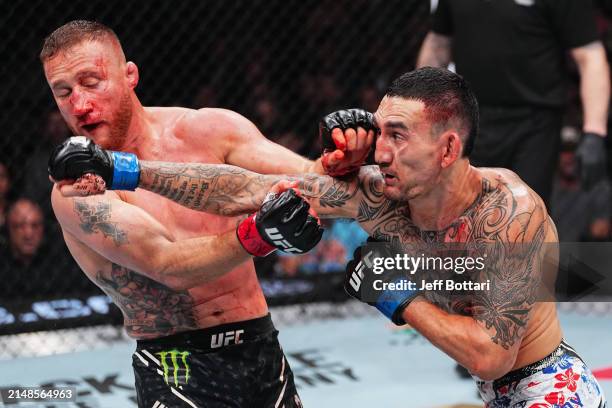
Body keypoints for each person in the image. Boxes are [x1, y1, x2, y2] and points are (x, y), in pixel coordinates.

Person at [54, 67, 607, 407]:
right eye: (380, 131)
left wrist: (399, 297)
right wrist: (125, 170)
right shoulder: (385, 199)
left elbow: (489, 356)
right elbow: (247, 188)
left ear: (447, 149)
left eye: (398, 136)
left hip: (548, 388)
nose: (381, 152)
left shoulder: (511, 213)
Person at [41, 20, 373, 408]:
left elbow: (307, 181)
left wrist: (344, 159)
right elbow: (166, 265)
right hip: (175, 367)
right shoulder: (76, 188)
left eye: (91, 82)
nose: (79, 105)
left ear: (129, 75)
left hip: (261, 349)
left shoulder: (209, 130)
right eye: (63, 93)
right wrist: (258, 234)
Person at [416, 0, 610, 207]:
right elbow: (438, 43)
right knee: (464, 211)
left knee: (526, 213)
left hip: (535, 122)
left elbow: (589, 55)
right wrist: (418, 112)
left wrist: (594, 132)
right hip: (470, 117)